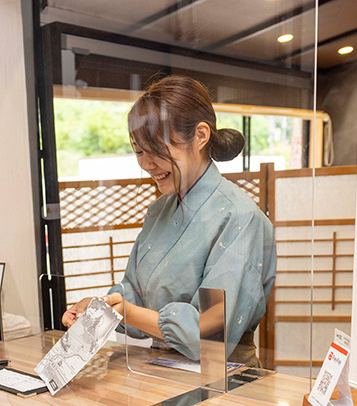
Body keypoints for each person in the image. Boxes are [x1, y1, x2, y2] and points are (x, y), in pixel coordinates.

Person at [62, 75, 277, 366]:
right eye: (139, 150)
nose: (147, 163)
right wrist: (98, 310)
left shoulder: (240, 218)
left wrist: (127, 311)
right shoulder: (158, 211)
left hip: (223, 380)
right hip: (160, 373)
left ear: (200, 136)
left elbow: (211, 336)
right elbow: (134, 296)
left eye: (158, 149)